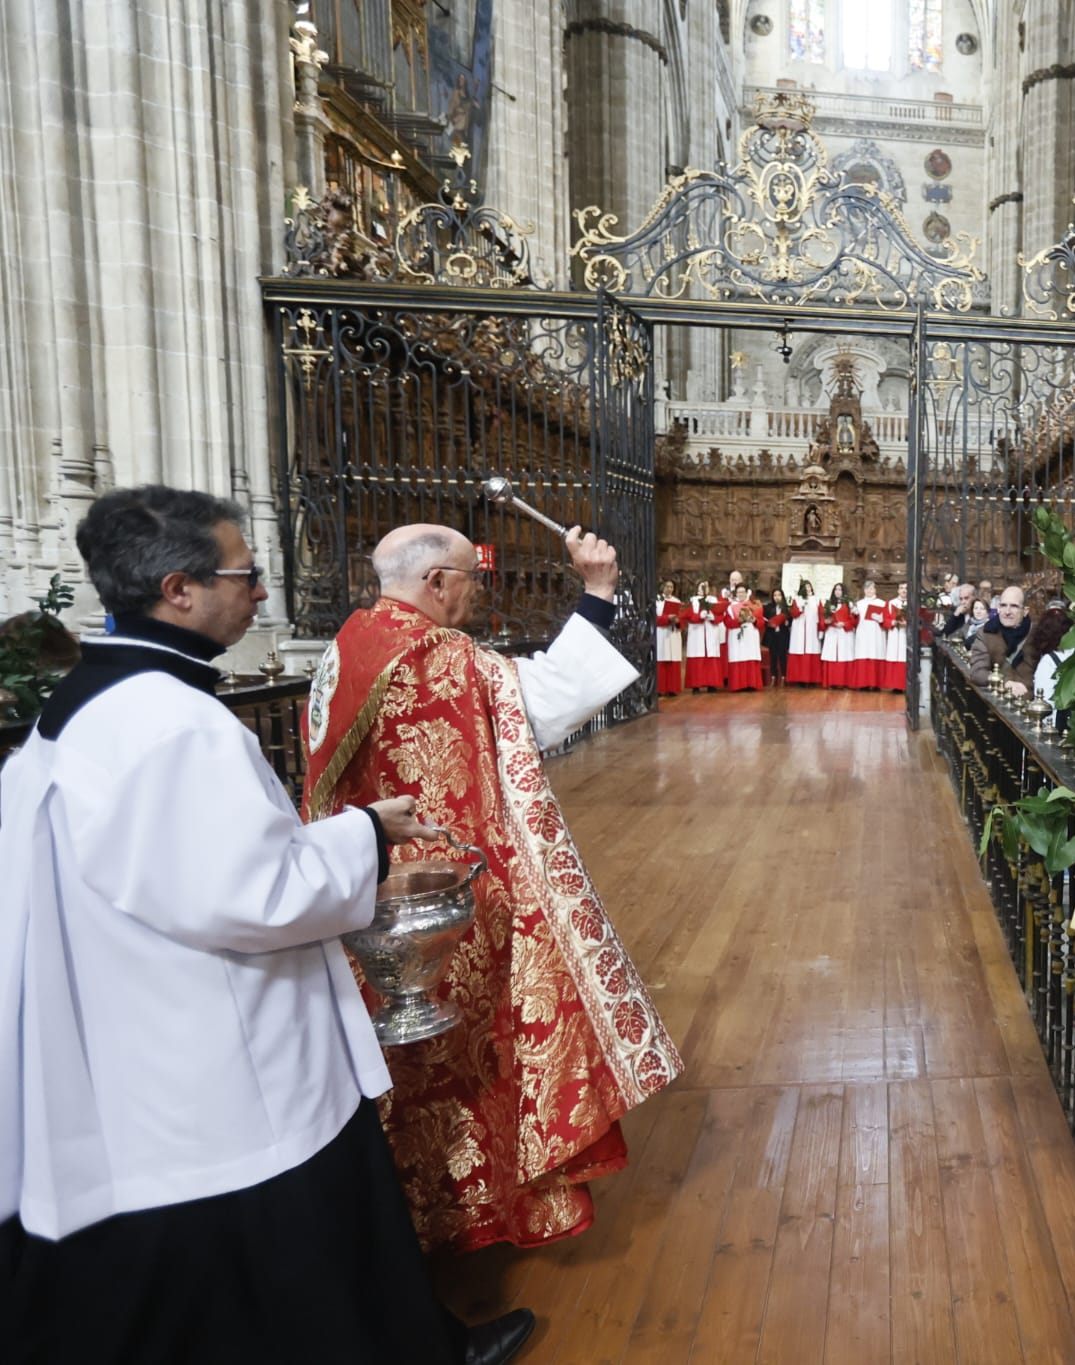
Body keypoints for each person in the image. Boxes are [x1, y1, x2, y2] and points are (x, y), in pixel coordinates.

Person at [0, 485, 533, 1364]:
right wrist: (363, 833)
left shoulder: (93, 701)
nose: (258, 592)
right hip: (213, 1036)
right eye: (244, 574)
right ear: (180, 588)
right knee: (297, 1227)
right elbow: (261, 895)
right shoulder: (172, 725)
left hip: (132, 1009)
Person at [302, 522, 684, 1252]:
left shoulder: (349, 642)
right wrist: (598, 592)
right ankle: (458, 1214)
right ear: (437, 582)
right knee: (465, 1053)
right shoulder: (430, 653)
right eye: (473, 577)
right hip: (437, 895)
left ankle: (400, 1217)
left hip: (363, 893)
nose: (480, 591)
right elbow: (538, 703)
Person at [967, 585, 1033, 693]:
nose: (1007, 611)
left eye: (1014, 606)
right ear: (998, 608)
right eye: (1003, 605)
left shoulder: (1036, 634)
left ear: (1025, 611)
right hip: (1000, 699)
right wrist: (1005, 682)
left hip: (1032, 702)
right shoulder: (986, 633)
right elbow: (977, 673)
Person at [684, 580, 724, 693]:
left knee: (711, 656)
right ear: (697, 588)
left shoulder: (714, 600)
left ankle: (712, 684)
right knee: (697, 656)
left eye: (706, 587)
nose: (703, 589)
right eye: (701, 587)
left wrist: (713, 617)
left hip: (711, 631)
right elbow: (687, 616)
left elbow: (721, 616)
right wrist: (699, 616)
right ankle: (695, 685)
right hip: (697, 632)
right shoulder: (692, 600)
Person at [723, 584, 763, 692]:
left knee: (750, 656)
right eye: (739, 592)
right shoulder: (730, 607)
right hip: (737, 636)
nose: (741, 594)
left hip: (750, 635)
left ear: (747, 593)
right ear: (736, 593)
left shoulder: (754, 605)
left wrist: (754, 620)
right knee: (738, 656)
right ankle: (738, 685)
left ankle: (751, 684)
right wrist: (738, 621)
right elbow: (726, 622)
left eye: (743, 592)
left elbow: (761, 622)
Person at [850, 578, 888, 690]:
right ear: (864, 590)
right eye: (867, 588)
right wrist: (855, 614)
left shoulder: (881, 603)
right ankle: (863, 684)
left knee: (875, 655)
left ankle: (876, 684)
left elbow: (886, 620)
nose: (869, 591)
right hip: (863, 633)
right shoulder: (859, 603)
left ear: (875, 590)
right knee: (863, 656)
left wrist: (881, 619)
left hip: (876, 633)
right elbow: (854, 621)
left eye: (872, 588)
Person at [787, 579, 823, 685]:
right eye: (805, 587)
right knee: (799, 651)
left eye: (809, 586)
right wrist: (801, 606)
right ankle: (798, 679)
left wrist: (821, 629)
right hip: (799, 630)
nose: (807, 589)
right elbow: (794, 614)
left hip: (812, 630)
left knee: (811, 651)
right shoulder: (797, 599)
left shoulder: (817, 599)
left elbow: (821, 614)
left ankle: (812, 679)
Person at [820, 582, 856, 687]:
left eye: (840, 589)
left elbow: (854, 621)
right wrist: (827, 622)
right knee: (832, 656)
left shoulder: (849, 604)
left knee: (844, 655)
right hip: (832, 632)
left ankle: (845, 682)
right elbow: (823, 619)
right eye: (836, 589)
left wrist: (844, 624)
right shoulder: (829, 604)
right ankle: (832, 681)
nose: (837, 592)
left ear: (843, 591)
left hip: (844, 633)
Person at [653, 579, 684, 696]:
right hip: (661, 632)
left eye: (671, 587)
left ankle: (672, 688)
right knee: (662, 659)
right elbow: (653, 618)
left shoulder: (677, 601)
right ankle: (660, 689)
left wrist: (677, 620)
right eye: (667, 586)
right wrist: (667, 618)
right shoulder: (656, 600)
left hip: (674, 633)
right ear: (662, 587)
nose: (669, 589)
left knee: (673, 659)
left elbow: (682, 619)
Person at [882, 582, 910, 692]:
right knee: (894, 657)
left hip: (906, 634)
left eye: (906, 588)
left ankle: (907, 685)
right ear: (898, 590)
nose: (904, 590)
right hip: (894, 634)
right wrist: (893, 622)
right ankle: (896, 686)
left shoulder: (913, 603)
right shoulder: (890, 603)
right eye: (901, 588)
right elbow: (884, 620)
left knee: (905, 657)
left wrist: (908, 622)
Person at [762, 587, 793, 686]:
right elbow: (764, 619)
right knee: (773, 657)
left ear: (782, 596)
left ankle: (784, 677)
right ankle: (773, 677)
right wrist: (769, 622)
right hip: (772, 635)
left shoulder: (786, 608)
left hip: (783, 635)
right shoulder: (769, 607)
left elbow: (791, 621)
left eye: (779, 595)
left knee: (783, 657)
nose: (777, 597)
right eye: (775, 595)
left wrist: (787, 622)